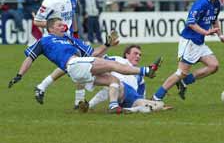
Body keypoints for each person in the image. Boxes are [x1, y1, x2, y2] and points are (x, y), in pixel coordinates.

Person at [8, 18, 162, 113]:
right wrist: (19, 75)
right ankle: (146, 70)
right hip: (73, 65)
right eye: (60, 25)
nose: (64, 26)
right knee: (113, 64)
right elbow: (30, 58)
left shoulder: (71, 39)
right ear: (51, 28)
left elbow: (94, 53)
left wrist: (108, 44)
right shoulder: (44, 41)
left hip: (79, 67)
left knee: (113, 81)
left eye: (63, 24)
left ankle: (114, 106)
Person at [152, 0, 224, 102]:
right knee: (181, 72)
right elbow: (190, 22)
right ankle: (156, 97)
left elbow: (214, 19)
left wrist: (220, 35)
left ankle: (184, 82)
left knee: (214, 66)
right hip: (189, 41)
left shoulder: (216, 3)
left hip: (199, 42)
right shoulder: (201, 3)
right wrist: (205, 32)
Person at [32, 0, 81, 106]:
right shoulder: (50, 1)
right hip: (54, 40)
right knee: (79, 64)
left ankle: (41, 87)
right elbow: (36, 21)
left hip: (69, 38)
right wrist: (54, 27)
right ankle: (79, 101)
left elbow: (72, 16)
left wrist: (75, 35)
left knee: (74, 65)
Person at [79, 44, 168, 113]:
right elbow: (99, 60)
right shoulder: (117, 60)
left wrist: (150, 103)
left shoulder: (140, 76)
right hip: (120, 89)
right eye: (135, 53)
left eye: (140, 55)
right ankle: (89, 105)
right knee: (115, 83)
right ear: (127, 54)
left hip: (133, 99)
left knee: (160, 104)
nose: (138, 56)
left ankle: (129, 110)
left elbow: (141, 96)